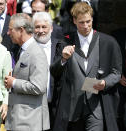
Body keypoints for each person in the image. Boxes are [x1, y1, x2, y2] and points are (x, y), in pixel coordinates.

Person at [50, 2, 122, 131]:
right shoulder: (64, 42)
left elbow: (117, 72)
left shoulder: (108, 42)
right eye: (81, 22)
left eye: (88, 21)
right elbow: (54, 71)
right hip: (72, 108)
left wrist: (105, 82)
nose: (86, 26)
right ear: (74, 21)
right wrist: (63, 59)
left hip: (96, 106)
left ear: (92, 19)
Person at [4, 13, 50, 131]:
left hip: (29, 121)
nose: (8, 33)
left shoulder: (36, 53)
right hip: (19, 119)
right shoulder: (22, 49)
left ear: (21, 30)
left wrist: (14, 83)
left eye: (10, 30)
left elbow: (39, 87)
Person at [32, 12, 62, 130]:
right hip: (32, 106)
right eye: (37, 27)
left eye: (44, 27)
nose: (41, 30)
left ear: (51, 28)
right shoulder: (26, 46)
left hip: (53, 104)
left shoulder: (60, 46)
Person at [111, 28, 126, 131]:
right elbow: (107, 57)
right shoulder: (116, 35)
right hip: (118, 84)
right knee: (117, 116)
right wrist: (118, 75)